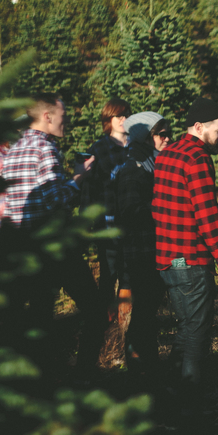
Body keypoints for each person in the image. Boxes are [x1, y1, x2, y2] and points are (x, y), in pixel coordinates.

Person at [0, 93, 105, 376]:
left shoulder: (15, 148)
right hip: (53, 245)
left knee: (39, 317)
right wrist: (79, 177)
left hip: (22, 244)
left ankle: (37, 382)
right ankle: (83, 375)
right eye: (64, 114)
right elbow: (55, 199)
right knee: (95, 311)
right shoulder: (45, 148)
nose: (67, 120)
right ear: (47, 116)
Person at [152, 97, 218, 408]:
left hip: (168, 259)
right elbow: (207, 215)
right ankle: (189, 410)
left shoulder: (168, 153)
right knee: (196, 335)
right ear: (199, 128)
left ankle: (170, 399)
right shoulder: (197, 158)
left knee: (186, 330)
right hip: (190, 260)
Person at [115, 111, 171, 374]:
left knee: (149, 311)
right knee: (143, 313)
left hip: (155, 250)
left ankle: (149, 367)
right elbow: (129, 213)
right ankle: (139, 373)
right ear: (146, 138)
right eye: (161, 134)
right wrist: (161, 209)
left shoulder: (153, 163)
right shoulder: (133, 169)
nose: (168, 138)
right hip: (141, 253)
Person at [83, 97, 133, 318]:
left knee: (130, 276)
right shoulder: (99, 149)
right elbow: (88, 189)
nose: (123, 120)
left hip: (134, 224)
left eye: (126, 115)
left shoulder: (137, 146)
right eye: (118, 116)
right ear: (109, 120)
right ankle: (103, 325)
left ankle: (126, 324)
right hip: (108, 225)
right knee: (109, 275)